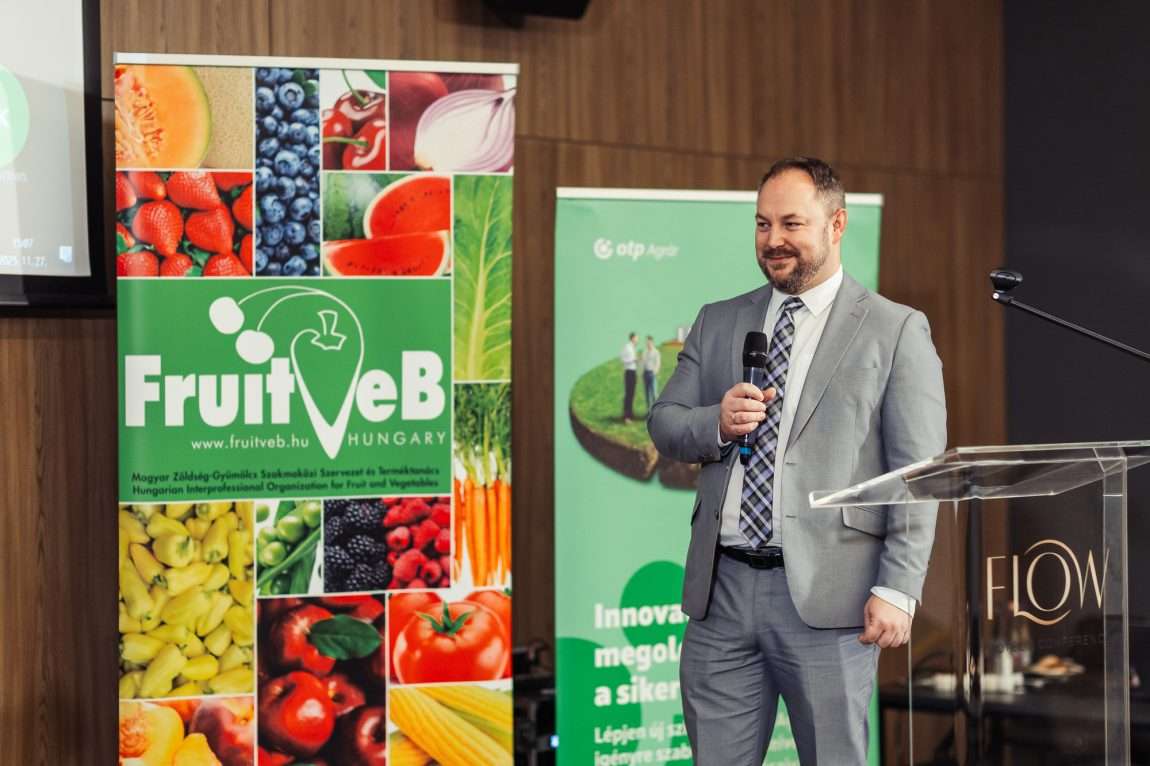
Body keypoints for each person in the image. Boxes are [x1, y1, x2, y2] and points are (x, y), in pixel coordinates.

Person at [648, 157, 946, 765]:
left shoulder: (895, 330)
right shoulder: (718, 320)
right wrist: (716, 422)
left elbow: (916, 476)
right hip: (721, 595)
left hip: (831, 603)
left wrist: (899, 587)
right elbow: (665, 423)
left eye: (791, 224)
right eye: (762, 224)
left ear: (837, 225)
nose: (773, 240)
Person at [620, 331, 638, 422]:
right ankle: (626, 416)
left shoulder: (632, 347)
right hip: (629, 372)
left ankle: (630, 414)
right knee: (628, 394)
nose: (637, 340)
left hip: (633, 372)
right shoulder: (627, 347)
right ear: (632, 338)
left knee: (632, 394)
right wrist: (632, 360)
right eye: (636, 338)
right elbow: (622, 358)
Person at [642, 335, 661, 412]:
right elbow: (643, 363)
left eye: (649, 342)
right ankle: (648, 411)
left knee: (654, 393)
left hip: (652, 374)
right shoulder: (645, 352)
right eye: (647, 342)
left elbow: (658, 363)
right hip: (645, 373)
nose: (648, 344)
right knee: (647, 393)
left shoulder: (656, 352)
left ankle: (655, 411)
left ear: (652, 342)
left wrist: (654, 372)